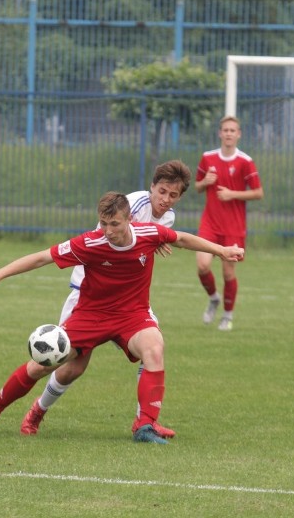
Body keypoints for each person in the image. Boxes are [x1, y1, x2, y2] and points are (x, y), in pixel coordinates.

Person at [0, 192, 244, 445]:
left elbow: (181, 238)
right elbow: (41, 258)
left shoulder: (149, 234)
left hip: (133, 315)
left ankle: (144, 425)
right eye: (104, 224)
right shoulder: (90, 243)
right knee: (46, 366)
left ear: (129, 219)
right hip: (91, 316)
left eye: (115, 224)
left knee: (154, 347)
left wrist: (222, 251)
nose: (107, 231)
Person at [21, 160, 192, 439]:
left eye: (173, 196)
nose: (165, 200)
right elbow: (111, 237)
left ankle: (145, 422)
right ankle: (37, 411)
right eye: (162, 192)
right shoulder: (134, 205)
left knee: (152, 349)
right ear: (151, 187)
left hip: (126, 302)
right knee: (68, 367)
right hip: (88, 293)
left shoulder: (167, 218)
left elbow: (144, 243)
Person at [196, 115, 264, 331]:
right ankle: (214, 298)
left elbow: (258, 192)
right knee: (202, 265)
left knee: (228, 273)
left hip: (233, 226)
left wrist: (233, 194)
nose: (228, 134)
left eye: (232, 130)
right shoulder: (207, 158)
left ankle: (227, 315)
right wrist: (204, 182)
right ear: (219, 133)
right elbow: (197, 187)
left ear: (239, 134)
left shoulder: (245, 161)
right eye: (225, 130)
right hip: (210, 223)